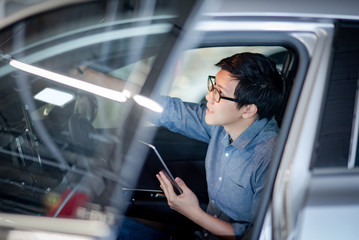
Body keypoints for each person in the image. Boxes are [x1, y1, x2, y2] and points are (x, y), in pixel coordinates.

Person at [154, 52, 284, 239]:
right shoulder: (223, 125)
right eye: (212, 87)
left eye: (219, 93)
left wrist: (193, 212)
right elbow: (170, 111)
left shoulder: (269, 158)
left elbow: (256, 234)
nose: (208, 96)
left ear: (248, 109)